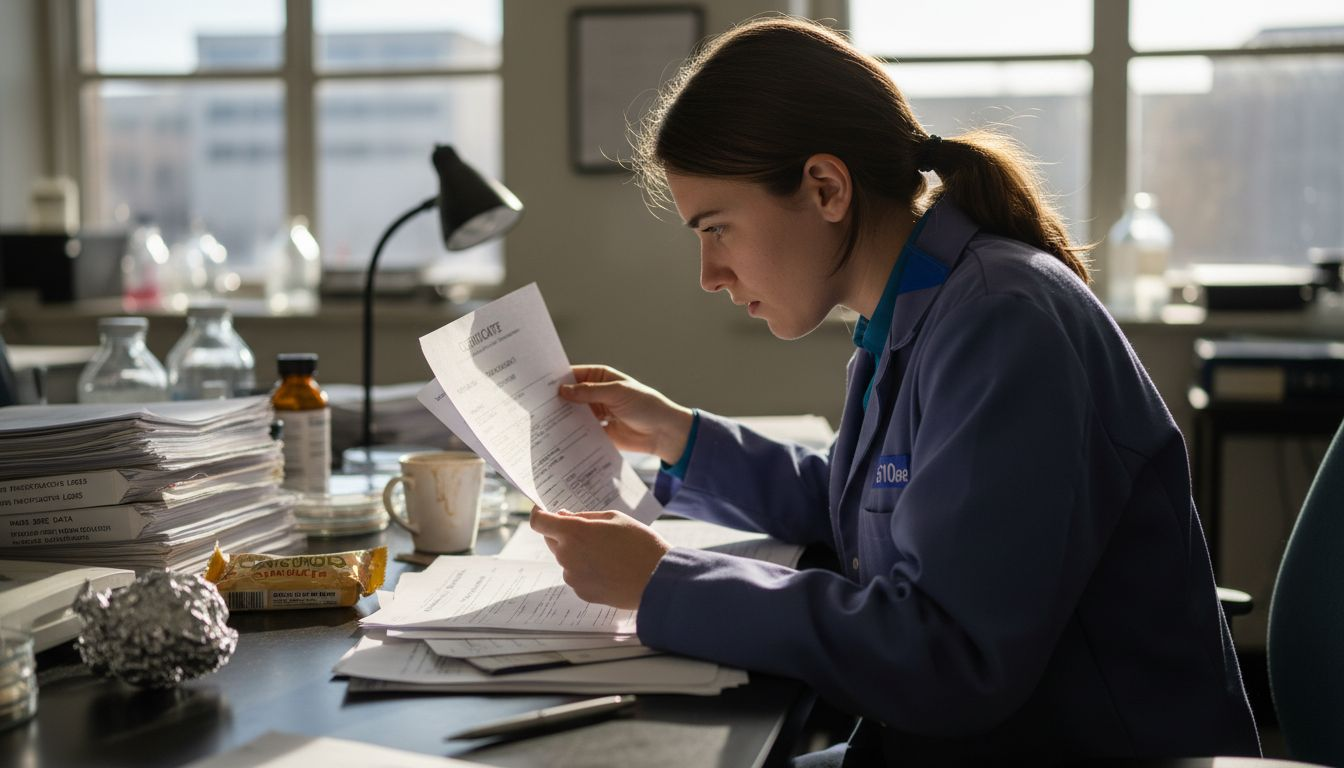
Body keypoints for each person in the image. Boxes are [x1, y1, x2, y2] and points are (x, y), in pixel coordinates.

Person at [528, 16, 1260, 766]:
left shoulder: (1000, 324)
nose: (710, 274)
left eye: (717, 229)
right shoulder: (916, 312)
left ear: (825, 188)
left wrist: (662, 582)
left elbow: (946, 654)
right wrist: (681, 435)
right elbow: (863, 506)